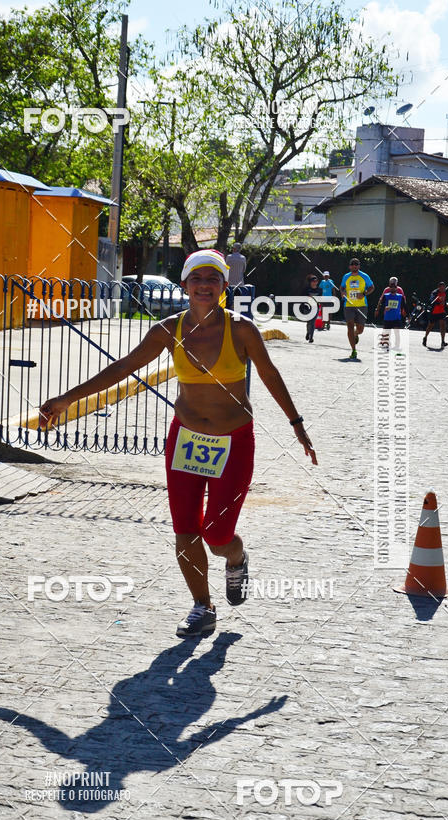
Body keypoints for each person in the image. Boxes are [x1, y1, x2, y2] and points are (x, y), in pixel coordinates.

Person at [39, 249, 317, 639]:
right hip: (185, 439)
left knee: (218, 536)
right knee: (186, 531)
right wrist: (69, 398)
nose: (205, 286)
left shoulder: (241, 330)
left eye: (213, 279)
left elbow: (269, 375)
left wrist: (296, 424)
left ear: (224, 286)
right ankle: (202, 607)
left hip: (233, 441)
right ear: (185, 285)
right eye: (197, 279)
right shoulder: (168, 330)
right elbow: (123, 368)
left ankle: (236, 559)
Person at [340, 257, 375, 359]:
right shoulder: (346, 276)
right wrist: (342, 292)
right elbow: (342, 287)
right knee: (350, 326)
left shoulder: (364, 276)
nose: (354, 266)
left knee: (360, 329)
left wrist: (364, 293)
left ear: (359, 266)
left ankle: (356, 334)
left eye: (356, 264)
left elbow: (372, 287)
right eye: (352, 264)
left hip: (362, 305)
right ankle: (353, 350)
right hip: (349, 305)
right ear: (349, 266)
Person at [376, 278, 407, 351]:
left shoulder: (399, 289)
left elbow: (403, 300)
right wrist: (377, 309)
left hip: (396, 313)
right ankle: (384, 342)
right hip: (387, 312)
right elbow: (381, 300)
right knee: (386, 329)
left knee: (396, 330)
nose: (393, 283)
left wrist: (403, 310)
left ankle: (397, 345)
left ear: (397, 283)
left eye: (394, 282)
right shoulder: (387, 289)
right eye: (391, 282)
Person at [423, 281, 448, 349]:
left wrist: (446, 304)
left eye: (444, 288)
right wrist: (438, 303)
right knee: (430, 326)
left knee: (443, 325)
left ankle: (443, 341)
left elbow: (444, 301)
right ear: (439, 287)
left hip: (442, 311)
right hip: (434, 312)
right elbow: (431, 301)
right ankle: (425, 337)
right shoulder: (435, 293)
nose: (443, 289)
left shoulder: (444, 292)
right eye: (442, 288)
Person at [303, 274, 322, 343]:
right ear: (310, 282)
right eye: (313, 281)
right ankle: (308, 332)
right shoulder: (307, 289)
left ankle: (311, 337)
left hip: (315, 307)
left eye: (316, 281)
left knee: (313, 323)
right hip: (307, 307)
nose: (314, 282)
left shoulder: (319, 290)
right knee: (309, 322)